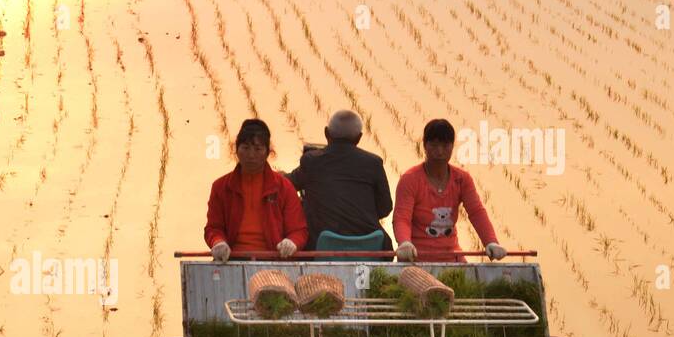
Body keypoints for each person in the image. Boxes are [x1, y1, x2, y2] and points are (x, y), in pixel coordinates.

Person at [393, 119, 507, 263]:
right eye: (434, 145)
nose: (439, 151)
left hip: (452, 255)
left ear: (452, 146)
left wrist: (491, 242)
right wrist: (404, 243)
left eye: (445, 145)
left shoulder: (461, 179)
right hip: (416, 256)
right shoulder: (410, 179)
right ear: (424, 146)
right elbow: (402, 217)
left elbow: (476, 212)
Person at [286, 110, 392, 253]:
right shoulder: (373, 163)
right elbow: (385, 207)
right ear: (359, 138)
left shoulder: (312, 161)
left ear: (326, 133)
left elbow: (288, 185)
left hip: (321, 247)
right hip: (368, 246)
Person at [205, 119, 307, 262]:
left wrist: (292, 242)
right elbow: (213, 228)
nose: (251, 155)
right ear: (236, 149)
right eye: (245, 148)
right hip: (231, 260)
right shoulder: (221, 187)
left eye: (258, 149)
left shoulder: (284, 187)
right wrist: (218, 242)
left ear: (268, 153)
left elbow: (299, 230)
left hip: (274, 260)